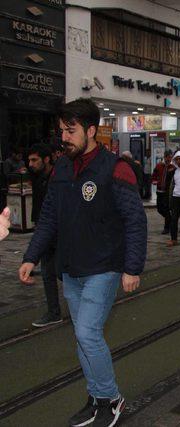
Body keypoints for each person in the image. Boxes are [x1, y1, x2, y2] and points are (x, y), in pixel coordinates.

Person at [18, 98, 147, 427]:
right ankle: (97, 398)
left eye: (71, 130)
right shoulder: (61, 168)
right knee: (82, 335)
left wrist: (132, 267)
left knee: (88, 333)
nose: (65, 136)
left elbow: (135, 220)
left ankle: (111, 398)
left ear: (91, 130)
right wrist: (30, 256)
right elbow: (48, 218)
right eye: (61, 130)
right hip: (71, 269)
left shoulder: (114, 168)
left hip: (103, 268)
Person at [25, 144, 61, 327]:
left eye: (34, 160)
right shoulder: (38, 179)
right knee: (48, 273)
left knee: (66, 272)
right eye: (29, 160)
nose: (31, 164)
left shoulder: (58, 178)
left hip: (61, 234)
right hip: (46, 233)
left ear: (46, 160)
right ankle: (54, 312)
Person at [151, 149, 174, 234]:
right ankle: (171, 220)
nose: (168, 159)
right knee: (159, 209)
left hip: (167, 192)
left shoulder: (173, 167)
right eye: (167, 157)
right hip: (159, 191)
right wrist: (154, 181)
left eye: (170, 157)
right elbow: (154, 176)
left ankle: (167, 227)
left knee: (166, 209)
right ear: (164, 157)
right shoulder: (159, 166)